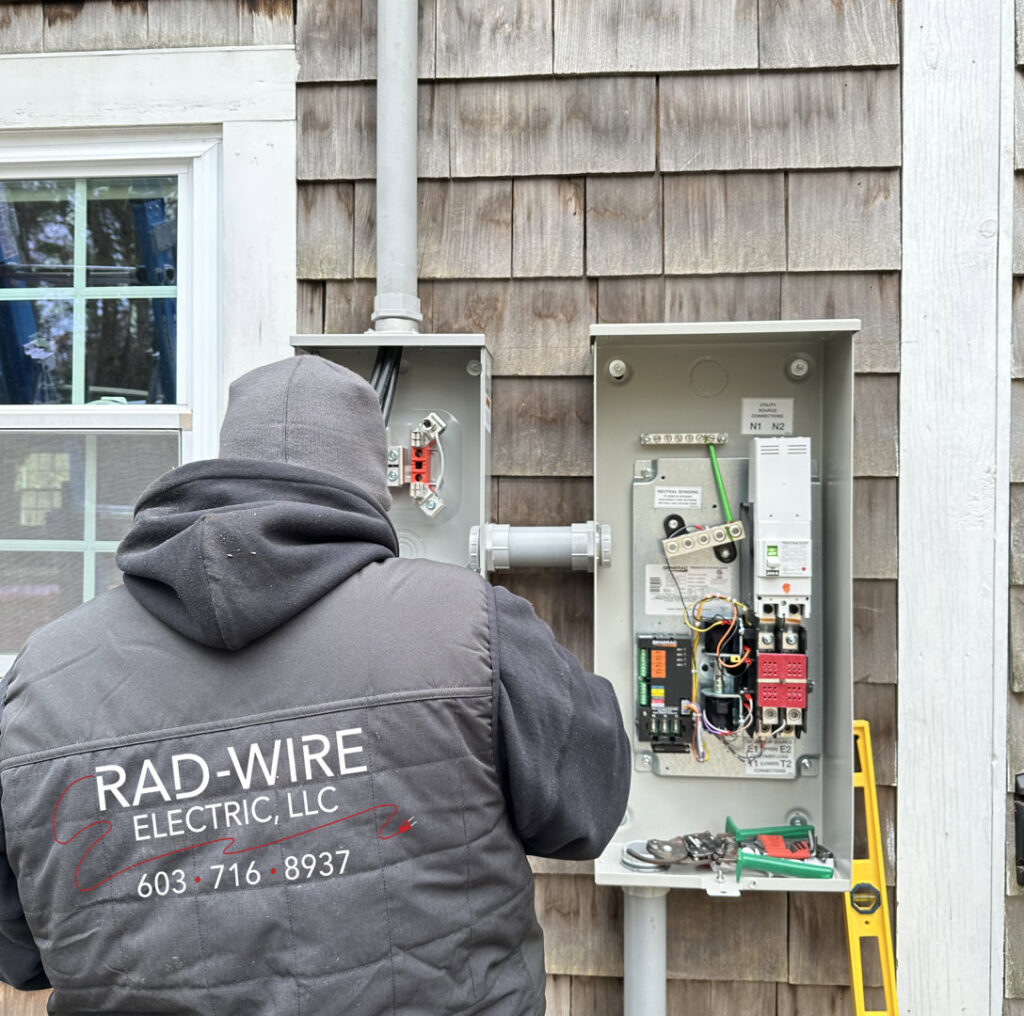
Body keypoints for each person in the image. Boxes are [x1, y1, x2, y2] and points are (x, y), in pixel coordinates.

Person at [0, 355, 630, 1015]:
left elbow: (22, 949)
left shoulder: (43, 676)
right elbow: (588, 808)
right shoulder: (470, 624)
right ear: (371, 487)